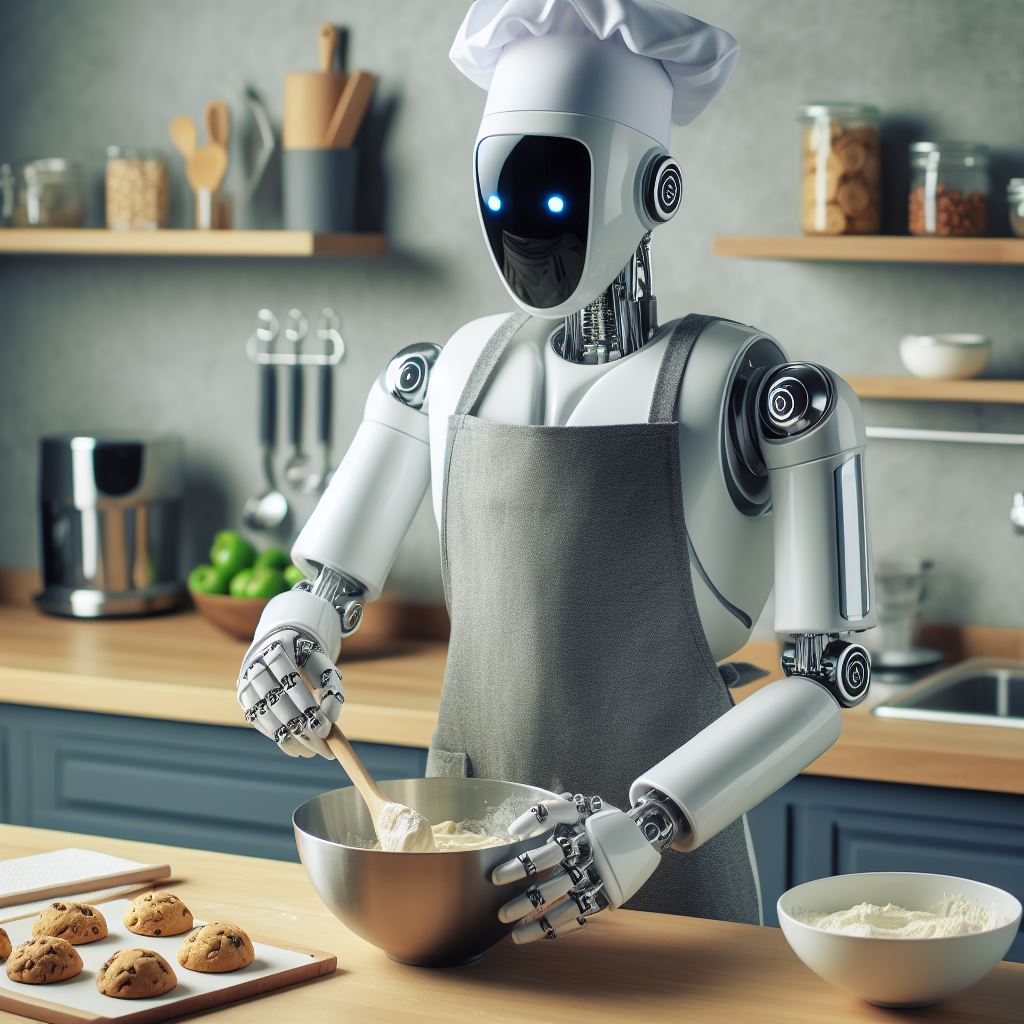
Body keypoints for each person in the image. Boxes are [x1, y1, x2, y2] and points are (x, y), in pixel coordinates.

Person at [237, 0, 875, 943]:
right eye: (505, 199)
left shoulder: (748, 389)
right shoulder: (445, 372)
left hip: (663, 873)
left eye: (552, 198)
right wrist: (287, 641)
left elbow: (831, 676)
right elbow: (323, 588)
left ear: (657, 187)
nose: (530, 231)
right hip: (451, 856)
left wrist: (652, 824)